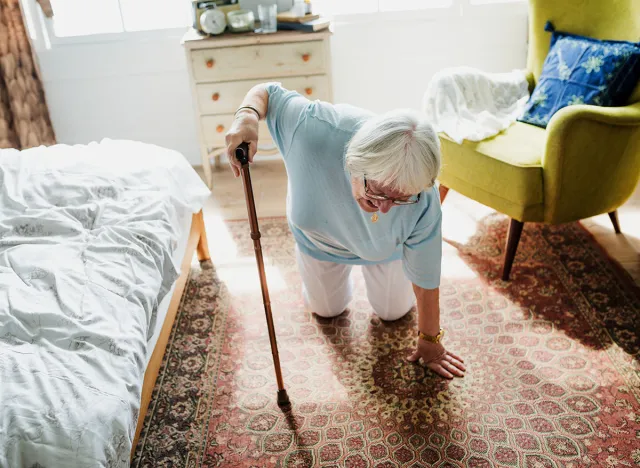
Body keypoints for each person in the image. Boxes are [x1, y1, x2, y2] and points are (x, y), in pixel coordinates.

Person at [225, 82, 466, 379]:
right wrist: (246, 115)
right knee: (325, 310)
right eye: (377, 192)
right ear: (355, 163)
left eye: (401, 198)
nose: (386, 208)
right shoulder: (310, 128)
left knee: (393, 313)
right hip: (319, 242)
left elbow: (427, 276)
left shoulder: (422, 196)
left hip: (385, 250)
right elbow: (268, 93)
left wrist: (431, 341)